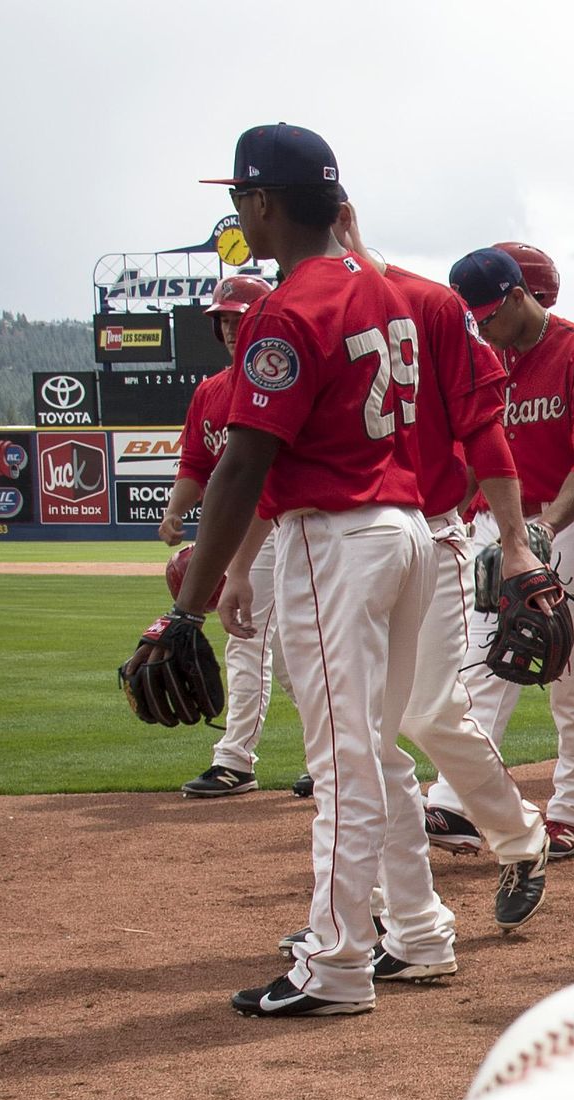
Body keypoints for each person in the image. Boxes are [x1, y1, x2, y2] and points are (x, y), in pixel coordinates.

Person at [147, 124, 443, 1017]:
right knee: (374, 751)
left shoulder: (290, 306)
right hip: (405, 529)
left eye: (241, 198)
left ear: (263, 203)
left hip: (338, 538)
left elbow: (241, 464)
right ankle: (420, 930)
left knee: (344, 762)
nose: (240, 213)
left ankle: (338, 964)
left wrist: (188, 610)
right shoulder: (382, 289)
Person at [335, 206, 554, 949]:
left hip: (431, 528)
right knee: (356, 728)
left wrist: (517, 542)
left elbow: (483, 430)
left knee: (425, 714)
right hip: (340, 536)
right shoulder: (298, 308)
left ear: (342, 220)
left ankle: (522, 839)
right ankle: (354, 901)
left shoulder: (429, 304)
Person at [433, 245, 574, 860]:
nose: (485, 327)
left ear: (519, 295)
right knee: (479, 662)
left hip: (568, 524)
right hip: (498, 527)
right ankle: (456, 799)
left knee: (570, 674)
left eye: (490, 314)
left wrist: (551, 525)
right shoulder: (484, 356)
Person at [165, 274, 286, 800]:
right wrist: (174, 513)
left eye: (241, 318)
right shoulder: (210, 392)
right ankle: (247, 757)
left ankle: (239, 760)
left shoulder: (279, 380)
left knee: (267, 643)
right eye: (225, 320)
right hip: (242, 528)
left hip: (282, 524)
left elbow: (264, 474)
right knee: (263, 645)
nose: (233, 329)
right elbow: (196, 463)